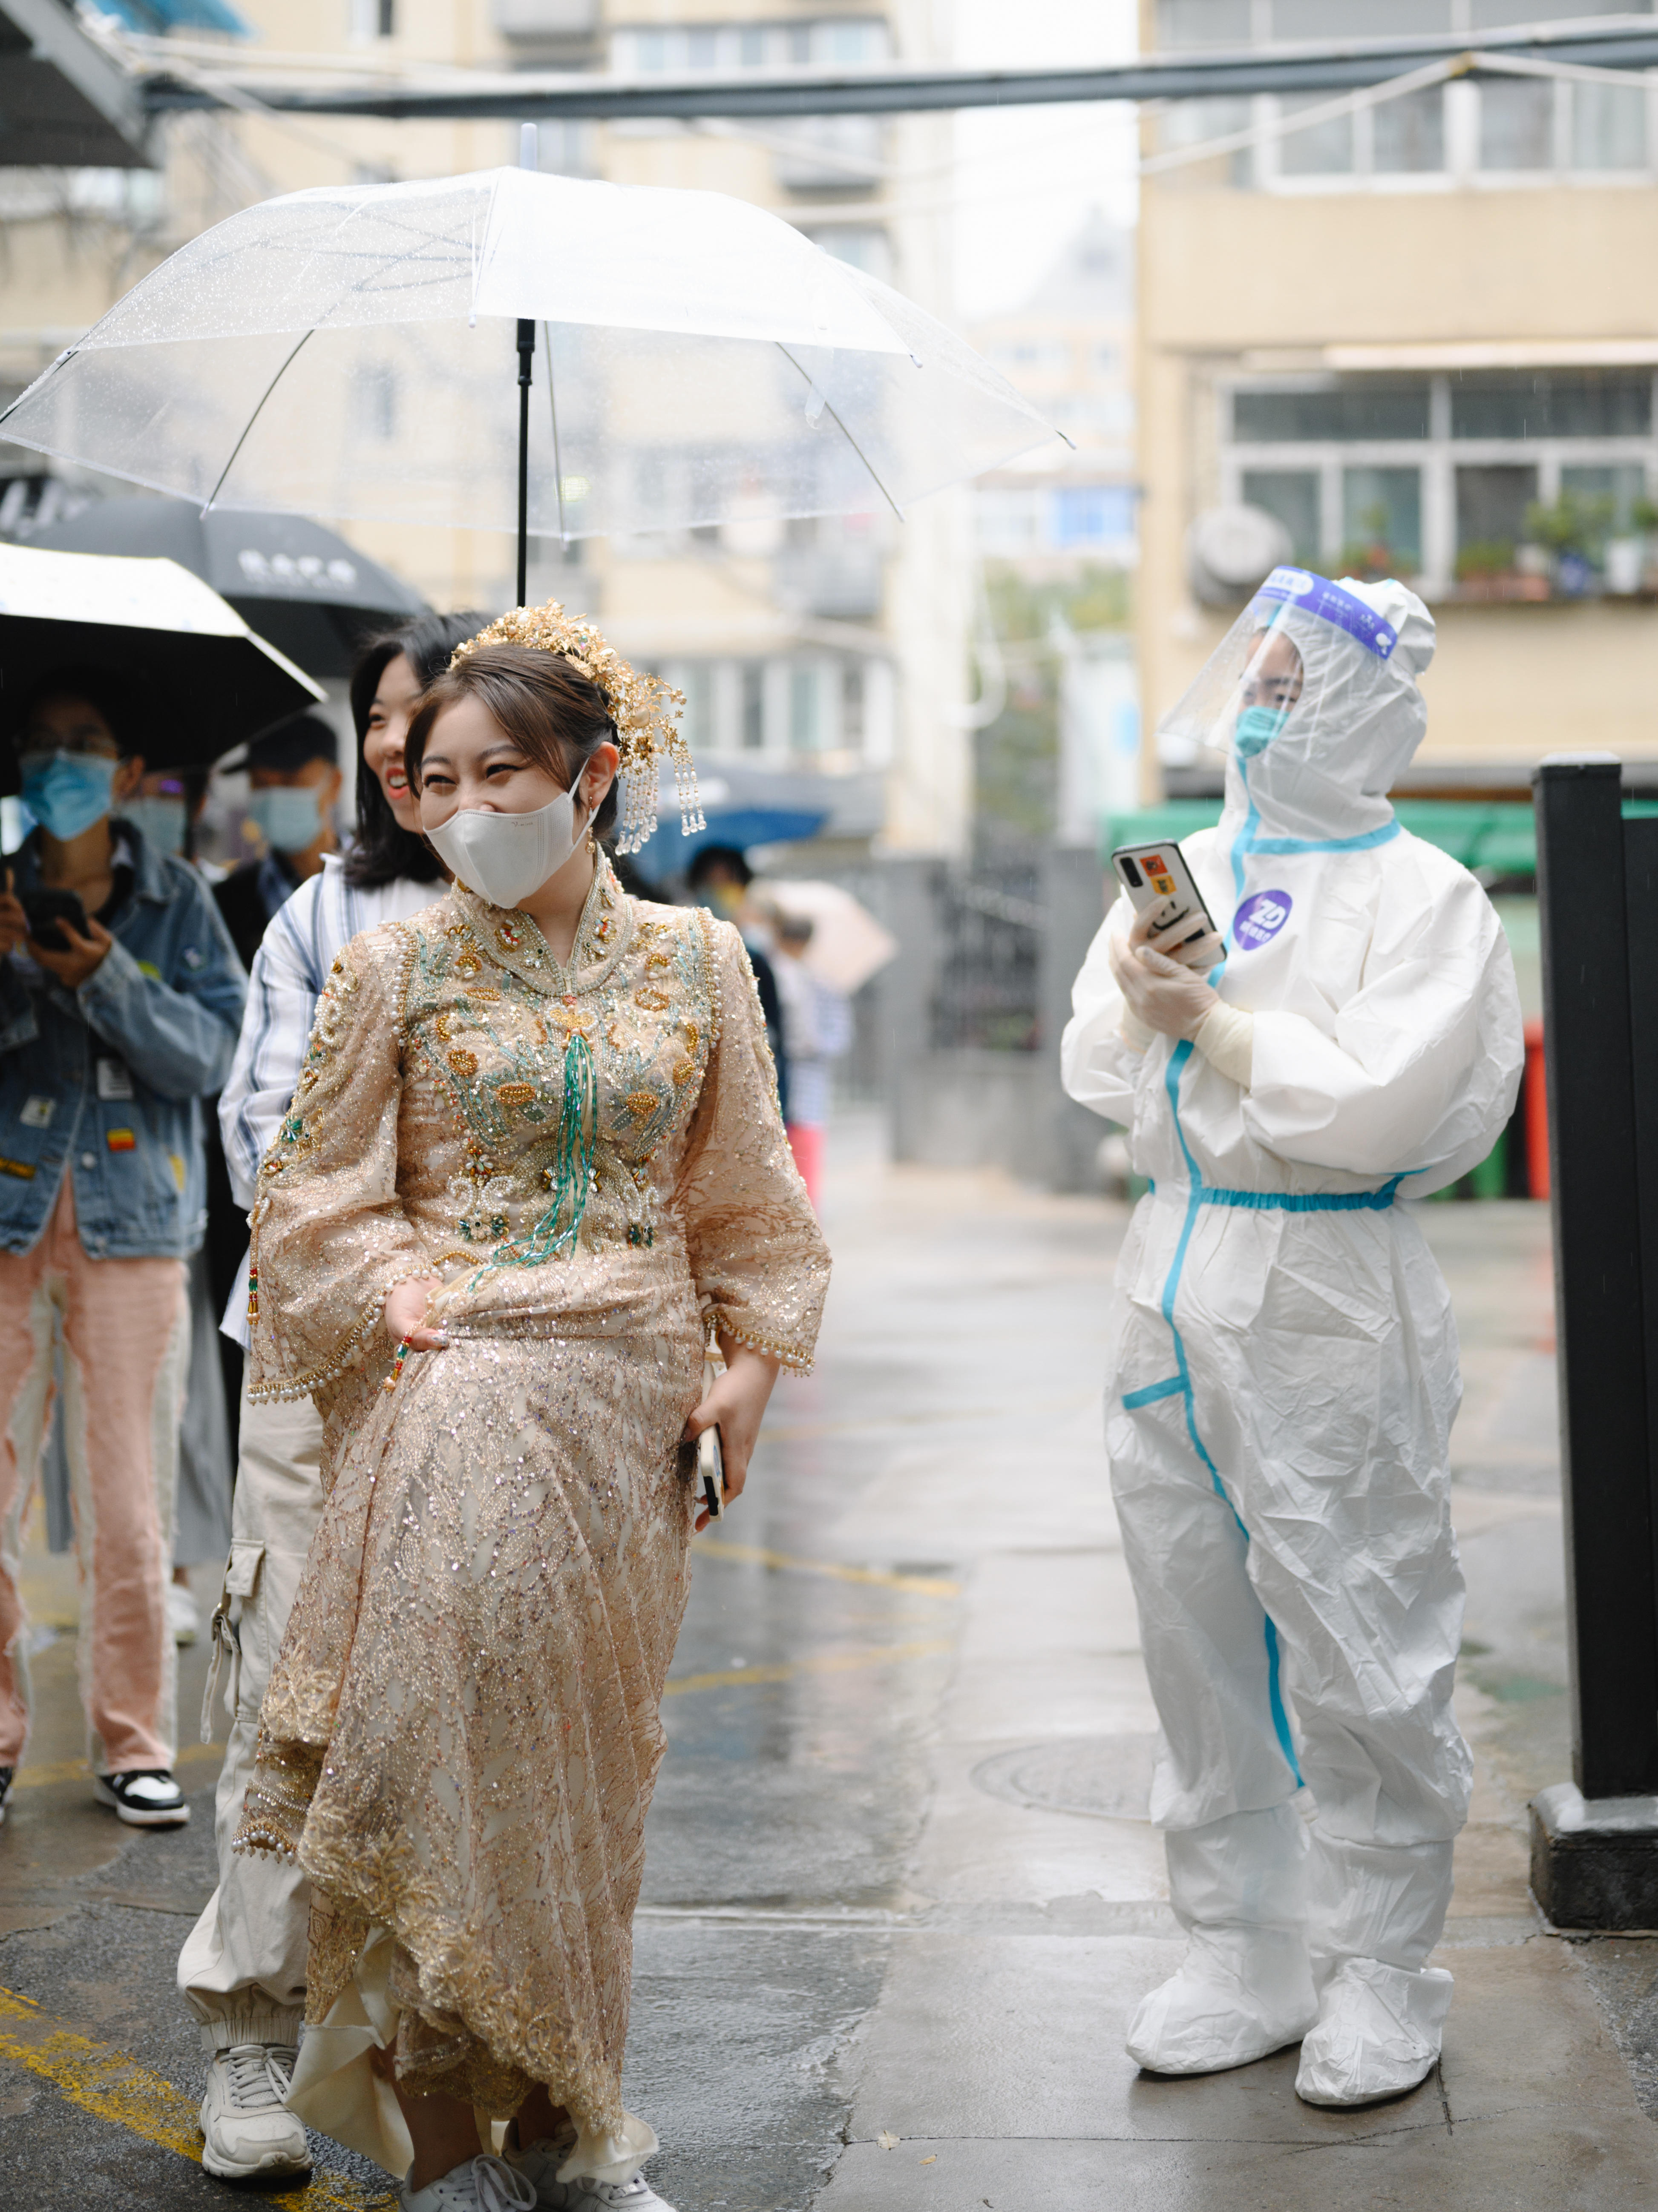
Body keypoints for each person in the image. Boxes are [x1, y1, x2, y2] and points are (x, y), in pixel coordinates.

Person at [231, 602, 828, 2212]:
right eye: (439, 777)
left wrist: (747, 1376)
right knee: (437, 1753)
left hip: (630, 1410)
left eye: (507, 769)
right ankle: (437, 2156)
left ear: (593, 775)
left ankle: (569, 2123)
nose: (471, 803)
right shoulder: (389, 964)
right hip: (455, 1388)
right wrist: (391, 1287)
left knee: (583, 1775)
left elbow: (748, 1203)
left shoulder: (701, 961)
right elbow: (308, 1196)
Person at [1062, 572, 1523, 2109]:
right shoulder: (1177, 863)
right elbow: (1084, 1064)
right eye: (1246, 677)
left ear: (1372, 704)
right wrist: (1136, 1003)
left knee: (1355, 1616)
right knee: (1191, 1633)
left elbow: (1380, 1102)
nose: (1254, 705)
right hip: (1166, 1276)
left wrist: (1212, 1029)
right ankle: (1239, 1948)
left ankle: (1384, 1966)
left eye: (1288, 680)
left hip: (1326, 1286)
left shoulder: (1426, 898)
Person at [178, 610, 487, 2184]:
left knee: (463, 1711)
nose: (402, 744)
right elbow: (272, 1135)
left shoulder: (571, 922)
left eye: (435, 717)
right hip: (316, 1355)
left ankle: (457, 2045)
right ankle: (247, 2020)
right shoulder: (323, 914)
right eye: (384, 719)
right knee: (286, 1689)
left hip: (495, 1381)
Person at [0, 668, 245, 1831]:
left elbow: (211, 1059)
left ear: (129, 772)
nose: (62, 763)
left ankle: (134, 1740)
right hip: (5, 1218)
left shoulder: (180, 901)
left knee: (131, 1502)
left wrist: (99, 973)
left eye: (84, 742)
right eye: (42, 745)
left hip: (138, 1223)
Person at [213, 714, 345, 973]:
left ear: (335, 783)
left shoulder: (383, 880)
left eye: (289, 780)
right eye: (260, 783)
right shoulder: (227, 902)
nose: (274, 797)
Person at [685, 844, 789, 1116]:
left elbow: (774, 1031)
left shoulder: (756, 954)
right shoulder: (682, 950)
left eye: (727, 882)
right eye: (711, 881)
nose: (719, 889)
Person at [769, 911, 851, 1210]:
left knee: (804, 1162)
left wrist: (811, 1044)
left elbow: (839, 1036)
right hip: (775, 1079)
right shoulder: (772, 975)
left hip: (807, 1084)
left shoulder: (822, 985)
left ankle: (804, 1226)